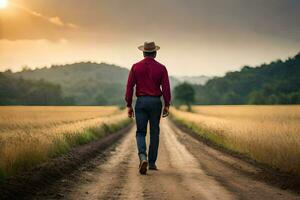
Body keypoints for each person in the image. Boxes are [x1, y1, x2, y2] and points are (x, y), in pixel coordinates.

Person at [125, 41, 171, 175]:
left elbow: (129, 87)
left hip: (141, 102)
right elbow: (166, 88)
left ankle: (142, 157)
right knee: (154, 132)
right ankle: (151, 163)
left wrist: (129, 104)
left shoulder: (135, 67)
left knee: (140, 132)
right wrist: (167, 104)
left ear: (144, 53)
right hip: (156, 102)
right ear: (155, 53)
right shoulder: (162, 68)